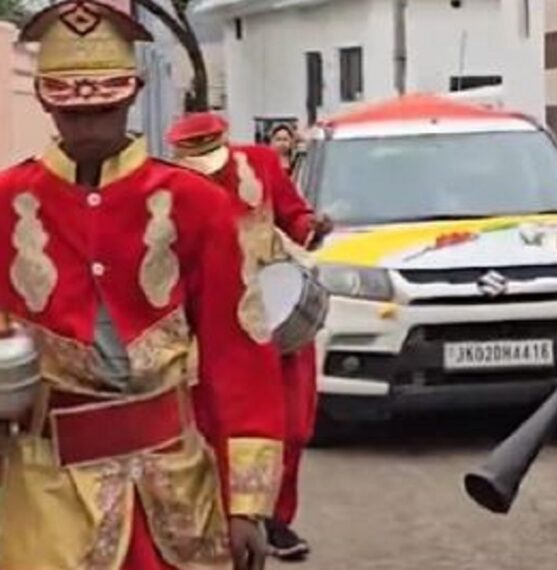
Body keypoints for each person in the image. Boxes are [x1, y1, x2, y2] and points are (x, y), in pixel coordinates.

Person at [0, 2, 287, 569]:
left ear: (131, 95)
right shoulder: (4, 203)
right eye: (71, 111)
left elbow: (241, 353)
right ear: (44, 101)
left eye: (104, 108)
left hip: (176, 491)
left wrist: (247, 504)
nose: (87, 126)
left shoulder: (197, 204)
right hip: (43, 495)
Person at [166, 112, 334, 562]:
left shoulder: (260, 163)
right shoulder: (168, 187)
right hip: (209, 323)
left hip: (272, 315)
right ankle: (227, 515)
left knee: (293, 427)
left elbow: (294, 216)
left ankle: (276, 514)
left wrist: (312, 229)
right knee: (212, 425)